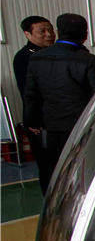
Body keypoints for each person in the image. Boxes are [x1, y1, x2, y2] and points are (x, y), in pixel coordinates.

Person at [23, 13, 95, 194]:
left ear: (58, 31)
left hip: (51, 126)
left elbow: (31, 94)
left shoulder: (37, 58)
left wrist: (32, 121)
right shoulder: (88, 60)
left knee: (54, 169)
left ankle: (54, 202)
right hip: (80, 126)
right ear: (85, 34)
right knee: (80, 169)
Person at [13, 16, 56, 190]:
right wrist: (34, 120)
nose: (49, 35)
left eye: (50, 30)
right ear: (27, 34)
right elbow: (28, 93)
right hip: (40, 122)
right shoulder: (25, 57)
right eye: (42, 31)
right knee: (47, 166)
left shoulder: (54, 53)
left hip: (59, 118)